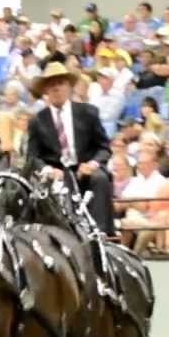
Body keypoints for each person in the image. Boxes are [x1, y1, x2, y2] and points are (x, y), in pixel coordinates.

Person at [23, 62, 115, 234]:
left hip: (85, 170)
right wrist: (48, 169)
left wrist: (92, 164)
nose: (56, 88)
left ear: (69, 87)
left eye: (60, 83)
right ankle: (55, 236)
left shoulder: (88, 112)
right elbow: (33, 157)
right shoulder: (37, 121)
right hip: (56, 174)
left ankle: (100, 234)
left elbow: (104, 148)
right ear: (45, 91)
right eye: (51, 85)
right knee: (43, 188)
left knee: (100, 178)